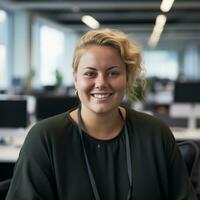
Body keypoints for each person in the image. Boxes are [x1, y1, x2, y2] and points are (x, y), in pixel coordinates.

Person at [6, 29, 197, 200]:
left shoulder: (156, 134)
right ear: (75, 79)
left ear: (127, 78)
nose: (101, 83)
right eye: (90, 73)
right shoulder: (45, 138)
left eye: (113, 73)